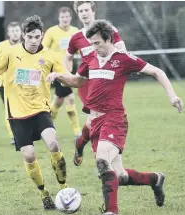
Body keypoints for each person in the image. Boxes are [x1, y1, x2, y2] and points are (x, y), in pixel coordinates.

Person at [47, 20, 184, 215]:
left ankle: (111, 211)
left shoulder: (123, 58)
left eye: (97, 43)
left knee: (102, 161)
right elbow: (77, 81)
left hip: (114, 119)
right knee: (120, 176)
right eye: (91, 44)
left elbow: (156, 71)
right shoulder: (91, 58)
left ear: (109, 39)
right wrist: (58, 76)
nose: (93, 48)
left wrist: (172, 95)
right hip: (94, 121)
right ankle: (155, 179)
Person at [0, 15, 69, 211]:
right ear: (23, 35)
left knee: (53, 143)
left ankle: (64, 189)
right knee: (29, 156)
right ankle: (44, 194)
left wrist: (61, 76)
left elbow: (66, 77)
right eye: (30, 37)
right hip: (18, 114)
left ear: (42, 35)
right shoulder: (10, 53)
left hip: (40, 109)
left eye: (37, 36)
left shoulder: (50, 55)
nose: (33, 40)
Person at [65, 1, 127, 167]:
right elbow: (68, 56)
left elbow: (121, 48)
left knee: (93, 121)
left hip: (107, 82)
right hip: (87, 85)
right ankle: (99, 158)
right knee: (94, 119)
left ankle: (80, 143)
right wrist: (68, 72)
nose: (84, 13)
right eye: (80, 11)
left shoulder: (109, 30)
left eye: (86, 10)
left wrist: (122, 62)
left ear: (93, 11)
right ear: (77, 14)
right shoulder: (76, 37)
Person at [42, 6, 82, 138]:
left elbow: (79, 50)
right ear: (59, 18)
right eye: (62, 17)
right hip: (56, 71)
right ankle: (77, 131)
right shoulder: (52, 32)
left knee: (58, 101)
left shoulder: (75, 31)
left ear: (70, 18)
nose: (65, 19)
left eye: (67, 17)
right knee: (69, 98)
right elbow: (43, 49)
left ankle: (47, 127)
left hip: (70, 69)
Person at [0, 22, 22, 145]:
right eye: (12, 31)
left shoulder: (26, 46)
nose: (15, 33)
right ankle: (13, 135)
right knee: (9, 110)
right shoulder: (1, 46)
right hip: (5, 84)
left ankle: (25, 132)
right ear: (8, 33)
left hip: (22, 84)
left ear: (21, 32)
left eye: (17, 30)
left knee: (24, 109)